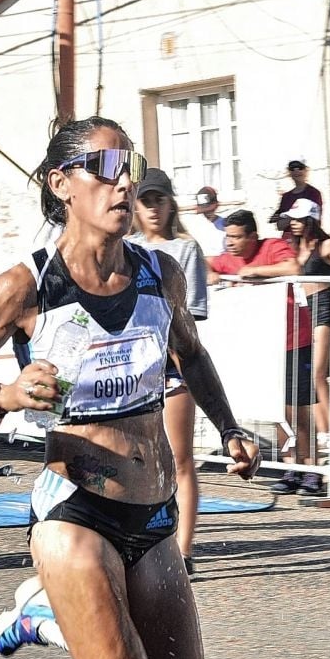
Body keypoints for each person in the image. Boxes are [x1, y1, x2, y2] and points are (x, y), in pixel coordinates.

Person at [0, 116, 259, 659]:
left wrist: (229, 428)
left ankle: (45, 616)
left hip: (153, 517)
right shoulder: (26, 287)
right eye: (103, 168)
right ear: (62, 185)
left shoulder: (160, 274)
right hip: (76, 513)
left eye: (130, 167)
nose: (122, 183)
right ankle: (50, 605)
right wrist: (1, 394)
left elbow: (192, 357)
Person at [207, 210, 323, 495]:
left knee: (300, 410)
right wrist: (212, 273)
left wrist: (255, 271)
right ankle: (292, 467)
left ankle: (313, 471)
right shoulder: (228, 256)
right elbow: (206, 262)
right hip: (262, 345)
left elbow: (293, 267)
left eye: (236, 237)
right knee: (278, 411)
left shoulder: (271, 247)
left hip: (294, 339)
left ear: (252, 236)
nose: (230, 242)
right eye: (227, 236)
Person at [129, 168, 208, 575]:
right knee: (140, 459)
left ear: (170, 203)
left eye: (159, 200)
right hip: (134, 373)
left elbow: (192, 321)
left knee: (180, 459)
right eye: (146, 201)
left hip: (173, 370)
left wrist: (175, 364)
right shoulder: (127, 247)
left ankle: (185, 548)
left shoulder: (186, 250)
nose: (153, 209)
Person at [281, 198, 330, 449]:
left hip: (323, 308)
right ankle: (324, 430)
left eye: (298, 219)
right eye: (292, 219)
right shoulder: (295, 248)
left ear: (311, 220)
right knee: (309, 374)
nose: (293, 224)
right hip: (302, 312)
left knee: (317, 372)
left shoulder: (327, 245)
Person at [269, 159, 323, 231]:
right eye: (292, 169)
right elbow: (280, 226)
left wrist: (289, 217)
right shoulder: (286, 197)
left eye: (300, 168)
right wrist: (297, 214)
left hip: (307, 237)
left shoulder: (313, 193)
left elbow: (314, 221)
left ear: (306, 170)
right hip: (288, 239)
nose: (296, 171)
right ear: (289, 172)